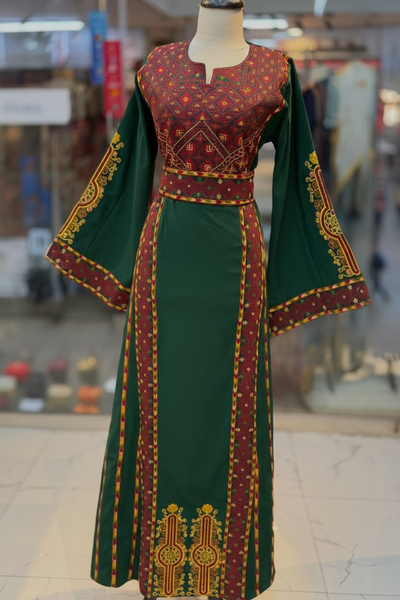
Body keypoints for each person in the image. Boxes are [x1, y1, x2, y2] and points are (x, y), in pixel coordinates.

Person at [45, 1, 371, 598]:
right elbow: (128, 161)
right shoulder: (156, 67)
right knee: (157, 394)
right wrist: (97, 245)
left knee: (231, 401)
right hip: (165, 250)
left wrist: (313, 269)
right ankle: (159, 563)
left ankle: (229, 569)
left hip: (234, 257)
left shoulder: (276, 70)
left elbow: (300, 174)